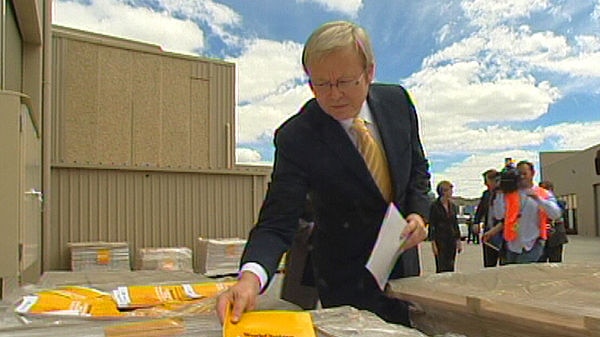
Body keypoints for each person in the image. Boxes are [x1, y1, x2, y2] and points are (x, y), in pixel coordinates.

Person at [216, 20, 431, 327]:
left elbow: (417, 170)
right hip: (345, 283)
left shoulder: (398, 103)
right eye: (321, 84)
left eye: (344, 82)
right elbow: (277, 222)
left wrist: (419, 215)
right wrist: (249, 280)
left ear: (369, 72)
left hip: (404, 269)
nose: (334, 96)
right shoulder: (297, 136)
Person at [483, 161, 562, 264]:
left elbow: (555, 214)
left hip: (533, 243)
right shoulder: (510, 194)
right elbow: (499, 215)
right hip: (512, 245)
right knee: (511, 276)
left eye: (525, 173)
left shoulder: (543, 193)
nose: (522, 177)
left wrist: (538, 199)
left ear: (532, 173)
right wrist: (499, 194)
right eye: (519, 174)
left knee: (521, 274)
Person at [473, 169, 504, 267]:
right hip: (488, 232)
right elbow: (480, 210)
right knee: (489, 264)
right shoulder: (486, 194)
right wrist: (476, 222)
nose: (485, 184)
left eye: (487, 181)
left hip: (502, 232)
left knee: (504, 263)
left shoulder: (503, 194)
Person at [428, 181, 462, 273]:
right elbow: (432, 225)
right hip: (440, 240)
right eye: (450, 189)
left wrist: (458, 240)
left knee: (451, 265)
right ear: (443, 191)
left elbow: (455, 223)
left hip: (451, 239)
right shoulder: (434, 206)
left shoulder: (453, 206)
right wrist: (433, 243)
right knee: (441, 266)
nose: (452, 192)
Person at [537, 180, 568, 262]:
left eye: (545, 189)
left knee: (555, 262)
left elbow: (557, 215)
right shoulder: (536, 204)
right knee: (539, 262)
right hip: (541, 237)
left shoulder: (559, 203)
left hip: (556, 237)